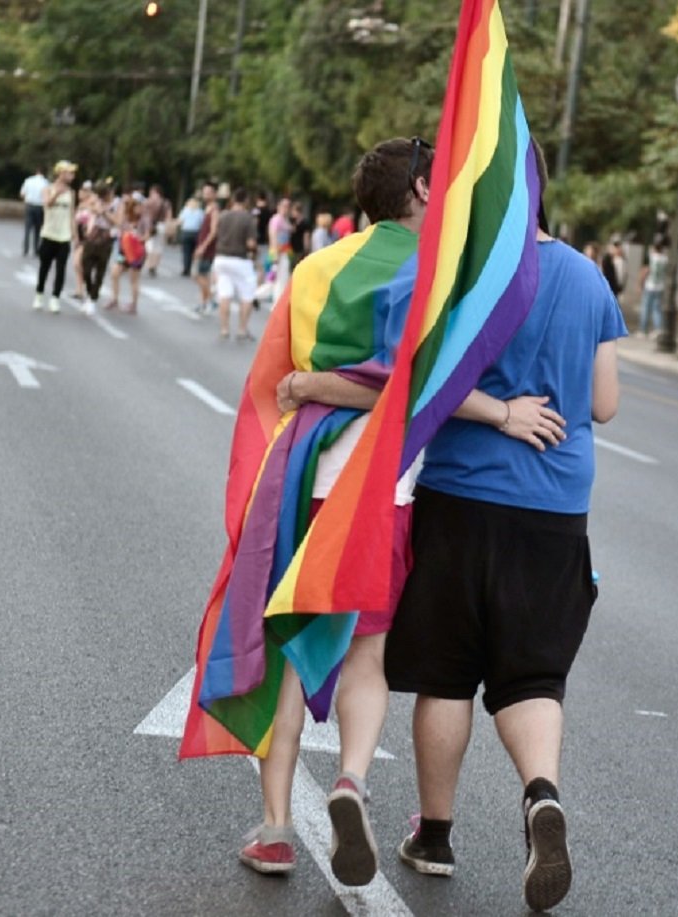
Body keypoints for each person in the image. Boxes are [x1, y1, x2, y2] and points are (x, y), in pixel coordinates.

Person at [228, 138, 564, 886]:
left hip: (304, 483)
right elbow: (408, 387)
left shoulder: (316, 267)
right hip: (383, 494)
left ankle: (278, 828)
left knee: (289, 648)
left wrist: (312, 384)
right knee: (367, 655)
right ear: (420, 186)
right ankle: (349, 779)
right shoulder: (435, 277)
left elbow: (281, 382)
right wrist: (505, 414)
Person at [385, 138, 626, 914]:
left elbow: (422, 378)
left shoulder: (466, 271)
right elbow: (605, 403)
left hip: (462, 495)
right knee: (531, 675)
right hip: (555, 508)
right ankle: (541, 795)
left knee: (448, 671)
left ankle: (436, 835)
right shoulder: (589, 277)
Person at [212, 186, 258, 341]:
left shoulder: (223, 215)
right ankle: (242, 329)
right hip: (240, 259)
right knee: (247, 294)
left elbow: (217, 233)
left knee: (224, 294)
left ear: (232, 200)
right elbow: (251, 243)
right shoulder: (248, 218)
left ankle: (224, 328)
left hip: (221, 258)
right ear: (246, 201)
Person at [32, 161, 78, 315]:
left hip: (63, 236)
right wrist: (57, 193)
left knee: (61, 269)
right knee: (44, 267)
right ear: (61, 173)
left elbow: (72, 214)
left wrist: (75, 234)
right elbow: (47, 204)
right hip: (48, 233)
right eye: (69, 173)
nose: (72, 176)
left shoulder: (71, 193)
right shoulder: (47, 189)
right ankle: (39, 294)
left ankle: (55, 298)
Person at [106, 198, 145, 314]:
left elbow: (147, 235)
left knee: (133, 278)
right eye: (135, 207)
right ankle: (114, 298)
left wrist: (136, 237)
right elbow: (116, 223)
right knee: (114, 273)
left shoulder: (143, 220)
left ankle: (134, 304)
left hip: (136, 253)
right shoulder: (125, 219)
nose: (138, 209)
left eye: (139, 207)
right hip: (123, 251)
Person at [192, 182, 220, 313]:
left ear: (214, 194)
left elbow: (214, 231)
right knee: (203, 276)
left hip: (207, 248)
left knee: (198, 275)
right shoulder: (207, 208)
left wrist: (203, 246)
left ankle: (211, 299)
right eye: (204, 192)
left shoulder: (214, 210)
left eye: (208, 192)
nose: (206, 195)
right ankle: (204, 302)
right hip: (202, 245)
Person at [638, 235, 668, 336]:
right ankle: (658, 328)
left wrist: (640, 283)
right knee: (657, 309)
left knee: (646, 308)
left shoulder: (651, 257)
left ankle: (643, 330)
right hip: (660, 286)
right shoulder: (665, 259)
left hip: (650, 285)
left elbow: (645, 270)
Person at [141, 184, 173, 277]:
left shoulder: (148, 202)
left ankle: (150, 264)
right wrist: (168, 225)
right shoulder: (166, 203)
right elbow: (169, 216)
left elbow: (144, 214)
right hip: (161, 225)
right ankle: (154, 266)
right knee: (158, 246)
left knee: (149, 245)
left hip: (151, 225)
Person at [20, 166, 48, 257]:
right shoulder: (45, 182)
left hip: (30, 205)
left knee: (27, 229)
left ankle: (26, 249)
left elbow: (22, 193)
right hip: (40, 206)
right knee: (37, 229)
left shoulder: (28, 180)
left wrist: (26, 200)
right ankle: (36, 249)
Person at [177, 196, 204, 276]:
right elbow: (202, 223)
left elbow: (180, 221)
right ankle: (190, 267)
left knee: (186, 251)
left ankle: (186, 268)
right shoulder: (200, 212)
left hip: (186, 232)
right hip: (196, 233)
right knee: (192, 251)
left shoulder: (185, 210)